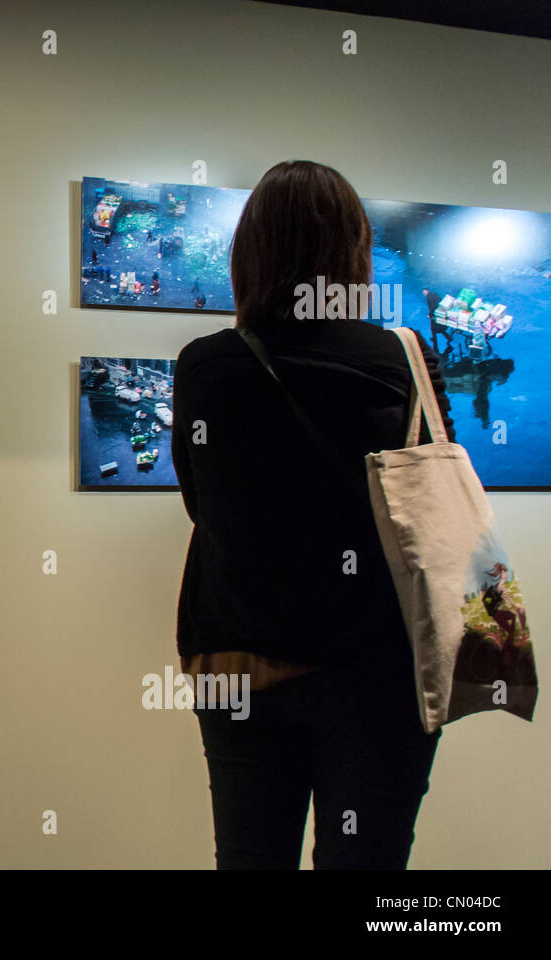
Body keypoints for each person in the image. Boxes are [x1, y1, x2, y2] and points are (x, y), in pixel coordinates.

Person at [171, 160, 456, 870]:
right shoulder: (403, 358)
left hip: (241, 657)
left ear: (251, 252)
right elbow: (438, 497)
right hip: (381, 669)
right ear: (354, 252)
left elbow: (199, 503)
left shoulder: (206, 366)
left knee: (248, 857)